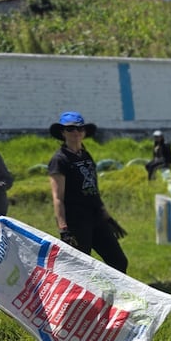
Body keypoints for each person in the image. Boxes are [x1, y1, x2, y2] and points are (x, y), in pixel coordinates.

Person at [47, 111, 128, 273]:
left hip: (96, 216)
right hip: (76, 220)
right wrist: (63, 229)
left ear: (84, 132)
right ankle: (82, 298)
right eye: (70, 129)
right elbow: (58, 198)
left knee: (118, 261)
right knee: (81, 267)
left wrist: (107, 216)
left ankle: (116, 295)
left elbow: (93, 188)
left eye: (79, 129)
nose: (76, 132)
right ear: (63, 132)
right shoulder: (59, 160)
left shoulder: (85, 155)